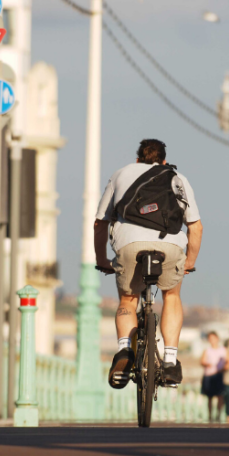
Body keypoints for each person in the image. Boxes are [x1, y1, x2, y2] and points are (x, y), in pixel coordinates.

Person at [94, 139, 203, 388]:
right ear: (164, 161)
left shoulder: (120, 175)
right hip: (170, 247)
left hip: (129, 246)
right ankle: (170, 362)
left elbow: (100, 223)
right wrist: (189, 262)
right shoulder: (177, 178)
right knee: (171, 295)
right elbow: (196, 227)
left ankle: (124, 350)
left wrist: (102, 260)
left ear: (137, 160)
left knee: (128, 299)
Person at [201, 332, 227, 422]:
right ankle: (210, 416)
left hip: (219, 375)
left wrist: (223, 369)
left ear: (217, 338)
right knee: (209, 396)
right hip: (209, 375)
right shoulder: (207, 350)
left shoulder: (223, 350)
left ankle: (219, 415)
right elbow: (202, 361)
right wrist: (207, 364)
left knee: (220, 395)